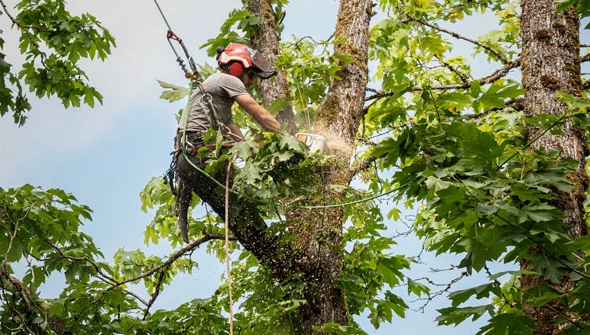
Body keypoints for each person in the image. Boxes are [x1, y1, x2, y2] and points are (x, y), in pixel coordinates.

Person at [174, 43, 282, 244]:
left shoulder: (219, 103)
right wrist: (287, 139)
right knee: (242, 209)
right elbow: (259, 113)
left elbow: (240, 141)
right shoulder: (226, 80)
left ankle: (269, 252)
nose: (251, 83)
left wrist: (261, 155)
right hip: (199, 155)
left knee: (239, 217)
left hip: (189, 162)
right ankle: (274, 252)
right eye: (251, 76)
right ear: (237, 68)